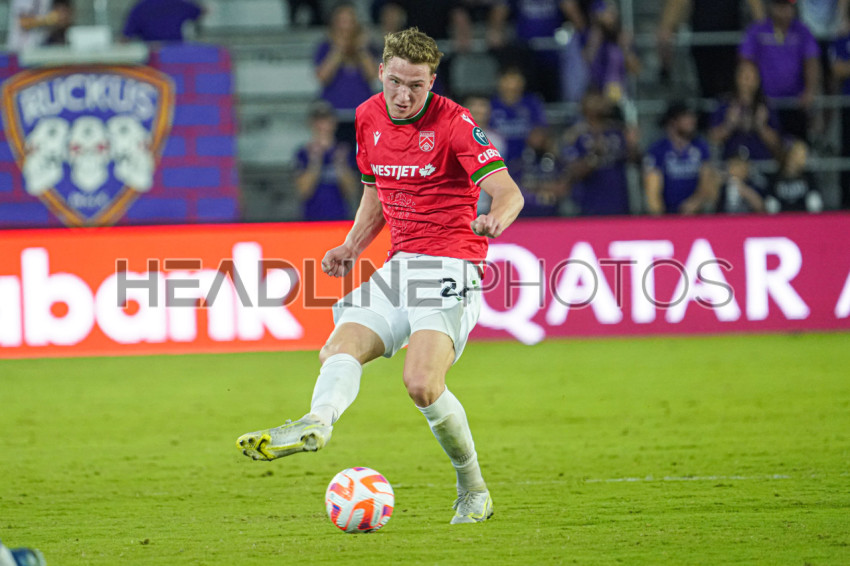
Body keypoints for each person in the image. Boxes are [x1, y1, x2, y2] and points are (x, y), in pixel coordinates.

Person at [237, 27, 524, 525]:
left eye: (416, 85)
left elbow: (509, 192)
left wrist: (495, 218)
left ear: (432, 81)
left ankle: (473, 489)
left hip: (451, 263)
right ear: (380, 73)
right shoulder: (367, 116)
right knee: (339, 347)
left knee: (422, 384)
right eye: (395, 82)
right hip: (399, 265)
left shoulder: (455, 123)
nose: (404, 96)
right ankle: (316, 421)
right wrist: (352, 245)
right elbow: (376, 192)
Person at [739, 0, 820, 141]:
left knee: (797, 146)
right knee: (766, 144)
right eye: (781, 6)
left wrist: (810, 91)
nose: (785, 11)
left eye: (789, 6)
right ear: (772, 7)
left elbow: (811, 61)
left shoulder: (802, 31)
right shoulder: (758, 30)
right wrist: (748, 95)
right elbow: (746, 62)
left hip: (795, 104)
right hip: (765, 105)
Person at [657, 0, 764, 98]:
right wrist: (668, 26)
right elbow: (675, 5)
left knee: (729, 89)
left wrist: (761, 26)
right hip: (702, 45)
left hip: (730, 45)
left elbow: (757, 11)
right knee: (707, 89)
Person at [564, 89, 638, 215]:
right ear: (585, 106)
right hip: (590, 205)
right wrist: (594, 155)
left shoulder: (616, 131)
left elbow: (634, 160)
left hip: (619, 203)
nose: (603, 103)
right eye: (596, 100)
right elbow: (573, 173)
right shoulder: (576, 135)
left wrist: (632, 145)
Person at [315, 2, 380, 146]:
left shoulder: (367, 47)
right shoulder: (325, 46)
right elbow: (323, 77)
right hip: (333, 116)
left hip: (363, 115)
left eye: (349, 21)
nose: (345, 27)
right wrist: (338, 49)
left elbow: (373, 75)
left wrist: (361, 49)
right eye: (341, 21)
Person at [644, 101, 718, 215]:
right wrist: (661, 219)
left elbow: (707, 182)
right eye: (686, 117)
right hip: (667, 214)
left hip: (696, 213)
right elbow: (652, 191)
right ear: (673, 121)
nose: (692, 121)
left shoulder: (700, 146)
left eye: (692, 116)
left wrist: (696, 202)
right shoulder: (658, 149)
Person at [294, 101, 360, 221]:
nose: (322, 125)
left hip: (340, 218)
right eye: (318, 120)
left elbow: (352, 191)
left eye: (326, 120)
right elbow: (303, 191)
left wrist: (341, 165)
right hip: (311, 218)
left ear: (334, 122)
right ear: (311, 123)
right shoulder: (303, 153)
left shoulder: (344, 151)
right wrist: (315, 162)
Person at [708, 61, 784, 164]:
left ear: (758, 81)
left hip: (761, 164)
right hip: (732, 164)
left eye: (751, 76)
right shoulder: (725, 104)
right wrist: (729, 125)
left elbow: (777, 144)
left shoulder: (766, 106)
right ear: (737, 78)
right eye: (744, 76)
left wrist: (762, 127)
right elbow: (713, 138)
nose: (747, 81)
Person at [489, 65, 549, 163]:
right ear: (499, 82)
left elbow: (540, 131)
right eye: (507, 80)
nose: (511, 86)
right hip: (497, 160)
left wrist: (538, 135)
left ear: (522, 83)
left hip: (527, 159)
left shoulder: (531, 103)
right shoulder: (490, 105)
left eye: (516, 81)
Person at [510, 126, 568, 216]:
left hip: (553, 213)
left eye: (541, 137)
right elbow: (513, 189)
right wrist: (545, 187)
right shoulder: (520, 164)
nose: (538, 140)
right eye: (535, 136)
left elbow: (562, 188)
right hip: (524, 213)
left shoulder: (557, 163)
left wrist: (534, 187)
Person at [765, 139, 824, 212]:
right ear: (791, 155)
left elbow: (815, 199)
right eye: (802, 155)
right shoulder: (775, 178)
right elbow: (770, 200)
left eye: (805, 155)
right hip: (782, 216)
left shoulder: (808, 177)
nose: (805, 159)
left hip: (804, 216)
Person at [829, 17, 850, 208]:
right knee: (847, 154)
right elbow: (837, 69)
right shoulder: (844, 38)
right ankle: (846, 203)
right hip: (847, 106)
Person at [122, 0, 203, 42]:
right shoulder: (179, 4)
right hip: (175, 52)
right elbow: (202, 11)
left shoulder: (140, 7)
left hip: (151, 55)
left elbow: (125, 38)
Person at [7, 0, 72, 51]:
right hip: (21, 50)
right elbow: (23, 22)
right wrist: (49, 19)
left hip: (42, 48)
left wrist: (62, 18)